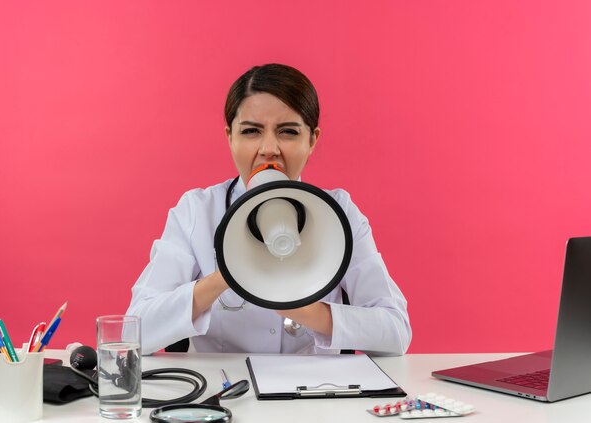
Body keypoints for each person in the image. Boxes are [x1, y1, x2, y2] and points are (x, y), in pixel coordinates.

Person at [126, 63, 411, 356]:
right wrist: (225, 275)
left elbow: (396, 332)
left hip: (316, 395)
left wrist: (309, 312)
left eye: (288, 132)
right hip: (228, 394)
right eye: (251, 131)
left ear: (312, 140)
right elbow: (133, 334)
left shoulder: (340, 213)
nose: (269, 148)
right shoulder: (197, 211)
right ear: (230, 137)